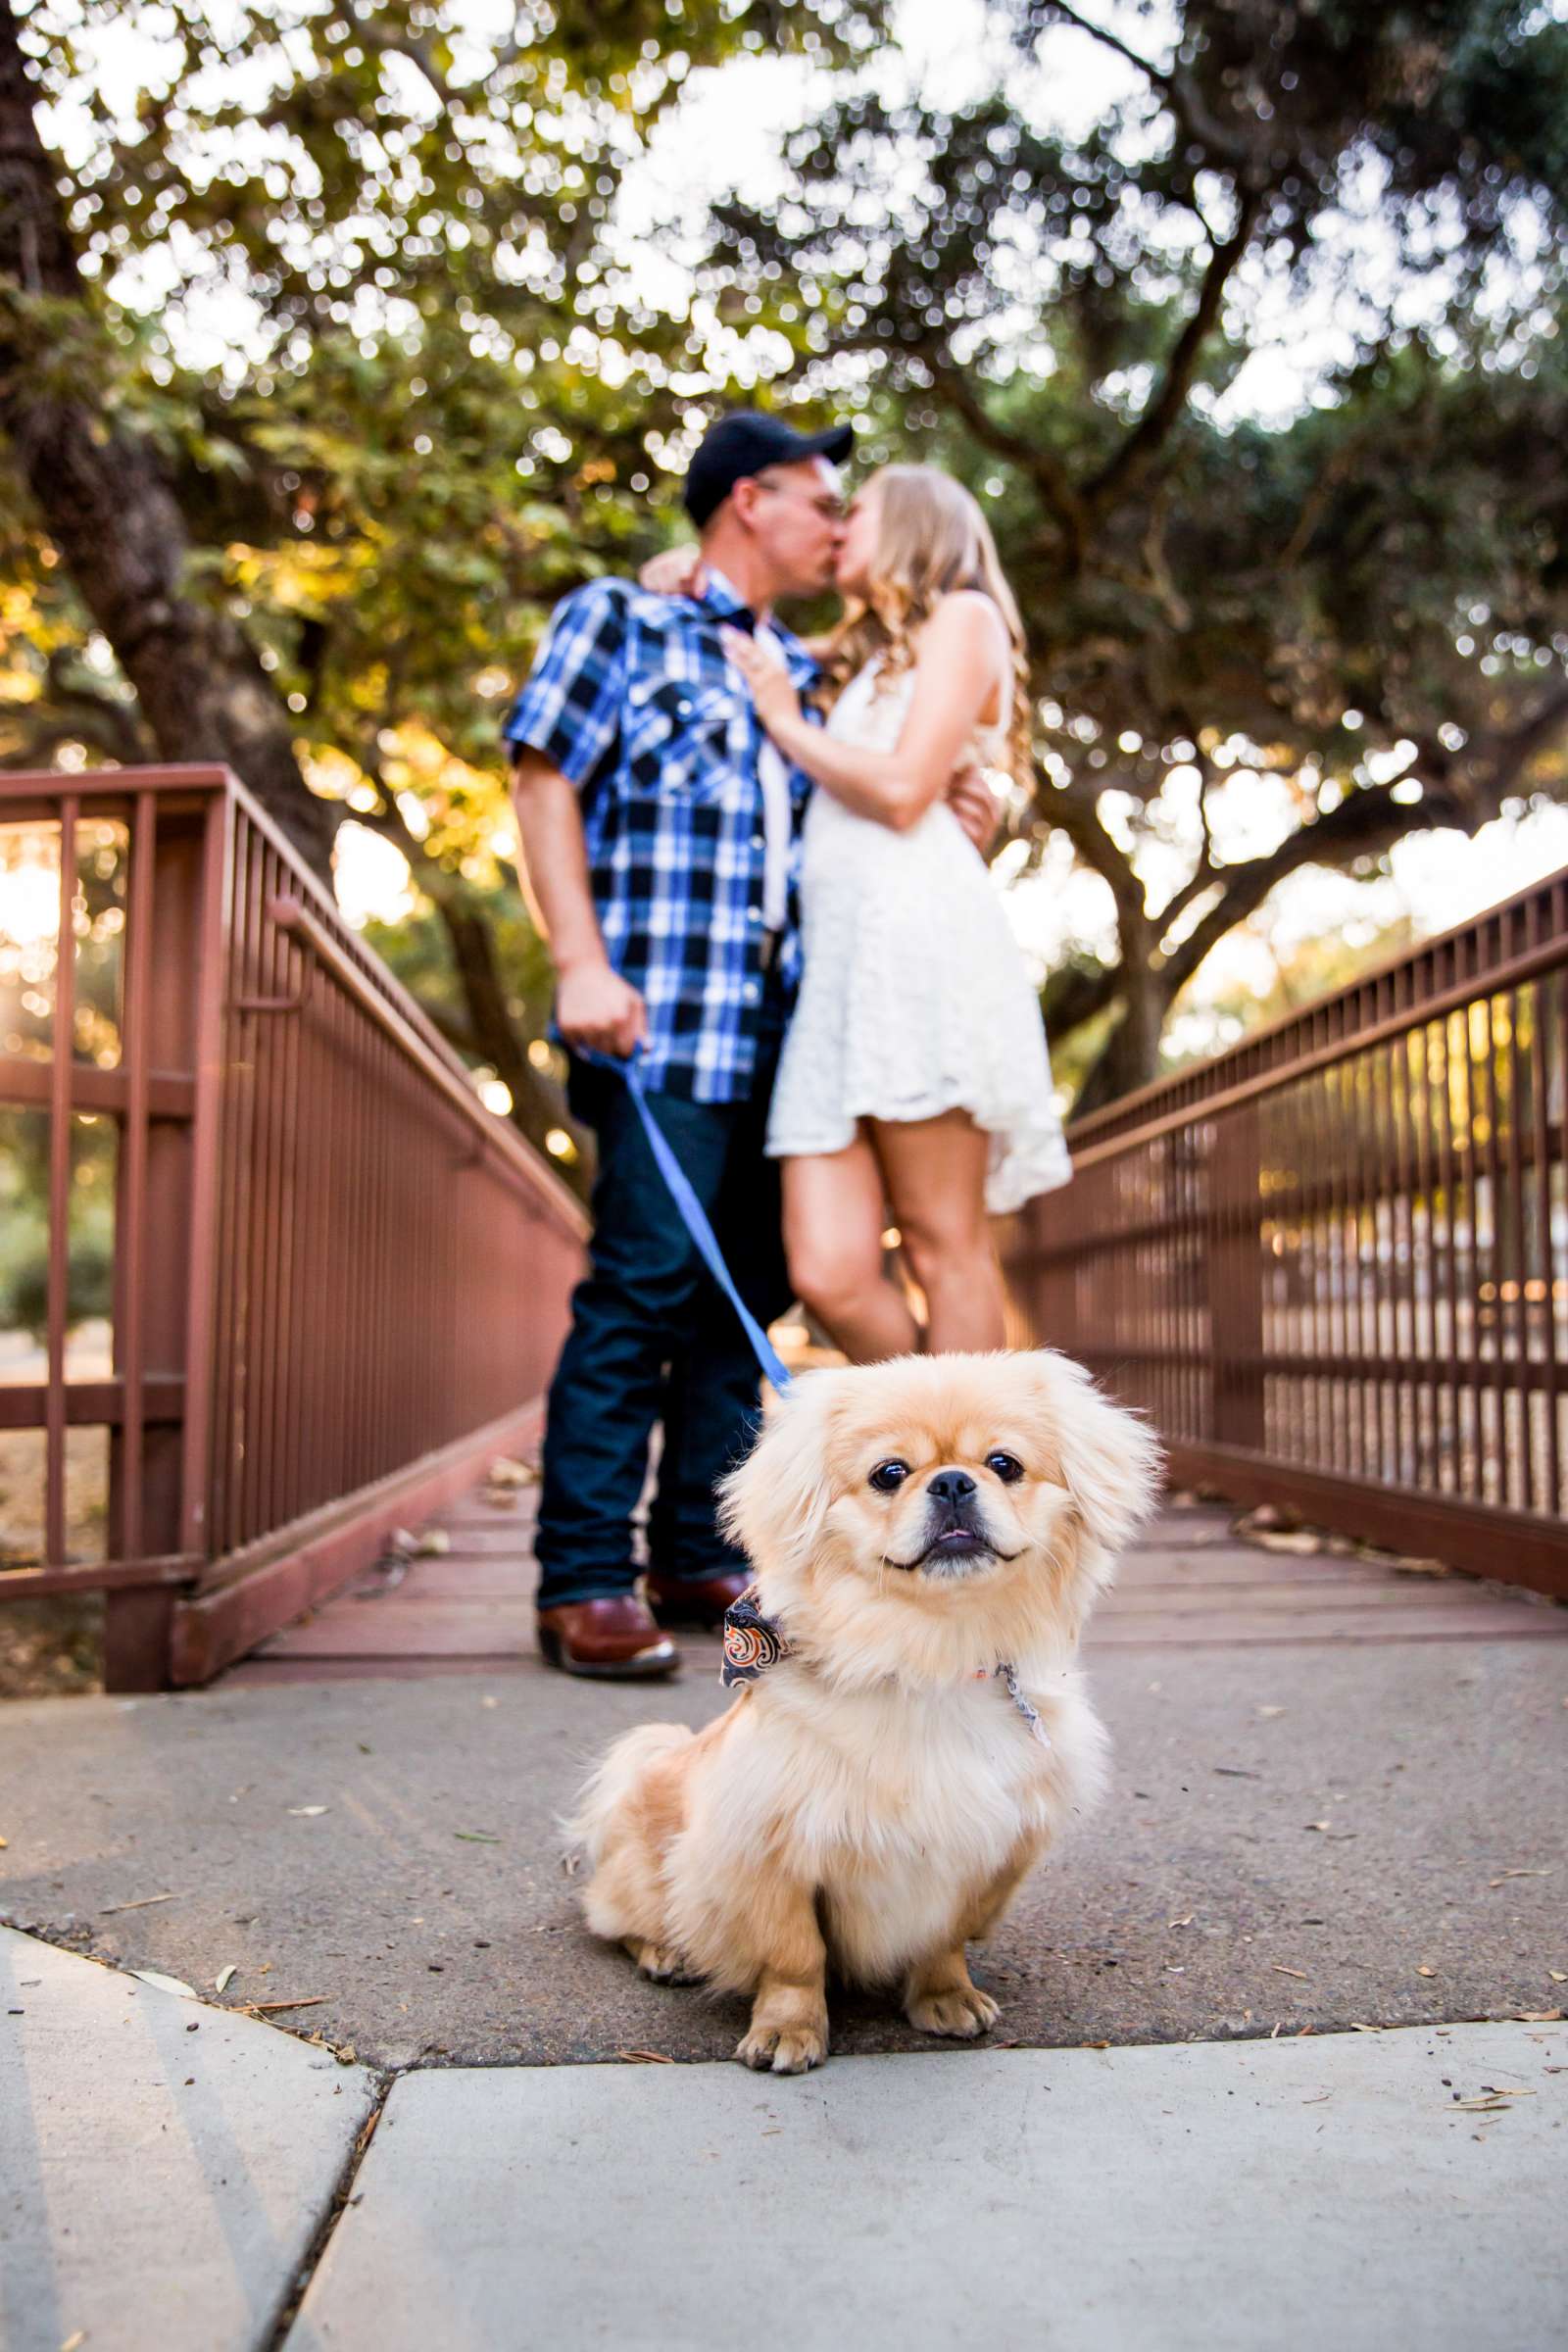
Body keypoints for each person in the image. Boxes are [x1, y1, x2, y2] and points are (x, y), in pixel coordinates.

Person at [504, 415, 999, 1681]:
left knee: (748, 1300)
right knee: (642, 1282)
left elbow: (901, 775)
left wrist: (986, 800)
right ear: (744, 501)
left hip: (787, 1037)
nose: (839, 524)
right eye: (818, 499)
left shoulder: (803, 666)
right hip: (654, 1017)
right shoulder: (617, 617)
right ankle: (582, 1577)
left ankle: (693, 1553)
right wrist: (577, 961)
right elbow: (543, 779)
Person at [649, 462, 1070, 1365]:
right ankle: (935, 1438)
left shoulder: (966, 617)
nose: (838, 530)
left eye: (857, 514)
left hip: (918, 953)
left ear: (915, 524)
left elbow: (906, 789)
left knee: (940, 1243)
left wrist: (783, 723)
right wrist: (678, 569)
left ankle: (967, 1485)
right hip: (834, 982)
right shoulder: (866, 660)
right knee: (828, 1269)